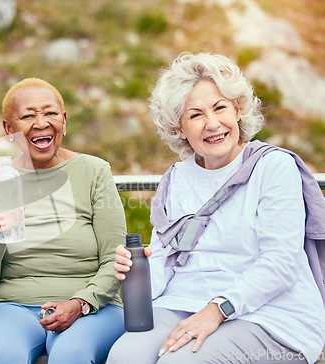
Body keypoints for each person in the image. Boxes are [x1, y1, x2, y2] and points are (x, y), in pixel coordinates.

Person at [107, 52, 325, 364]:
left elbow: (281, 262)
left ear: (237, 109)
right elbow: (164, 260)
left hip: (272, 316)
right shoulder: (177, 178)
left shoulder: (273, 166)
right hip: (183, 302)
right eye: (195, 115)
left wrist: (217, 309)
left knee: (180, 362)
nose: (212, 124)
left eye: (220, 107)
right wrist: (134, 270)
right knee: (124, 358)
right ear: (179, 128)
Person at [0, 77, 126, 364]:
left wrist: (79, 303)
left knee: (71, 355)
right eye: (28, 116)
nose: (41, 123)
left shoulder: (94, 171)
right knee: (0, 356)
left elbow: (115, 261)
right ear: (9, 129)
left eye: (50, 113)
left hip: (92, 307)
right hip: (11, 307)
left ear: (64, 121)